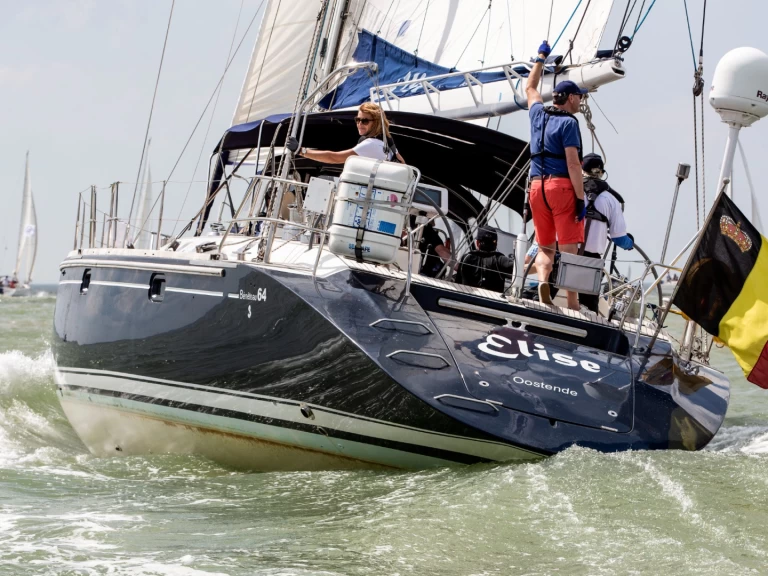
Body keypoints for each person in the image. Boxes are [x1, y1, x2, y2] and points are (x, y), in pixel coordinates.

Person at [526, 40, 587, 310]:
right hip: (561, 188)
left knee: (545, 247)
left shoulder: (537, 114)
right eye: (580, 97)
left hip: (536, 188)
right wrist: (581, 198)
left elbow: (530, 87)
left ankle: (542, 279)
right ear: (571, 98)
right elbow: (574, 165)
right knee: (570, 250)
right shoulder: (569, 123)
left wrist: (541, 57)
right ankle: (573, 304)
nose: (581, 101)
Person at [579, 153, 634, 312]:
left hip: (566, 251)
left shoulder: (572, 190)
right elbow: (618, 238)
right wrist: (630, 243)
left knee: (553, 288)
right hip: (591, 260)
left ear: (582, 169)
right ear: (602, 172)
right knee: (590, 307)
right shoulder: (611, 200)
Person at [286, 102, 405, 163]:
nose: (359, 124)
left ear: (376, 123)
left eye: (364, 121)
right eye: (357, 120)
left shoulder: (371, 144)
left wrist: (301, 151)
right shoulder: (387, 145)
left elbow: (333, 158)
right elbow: (402, 162)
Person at [456, 228, 515, 293]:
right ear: (496, 244)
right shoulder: (501, 260)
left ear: (477, 243)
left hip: (466, 300)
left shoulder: (466, 258)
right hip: (492, 302)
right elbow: (520, 271)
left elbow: (458, 283)